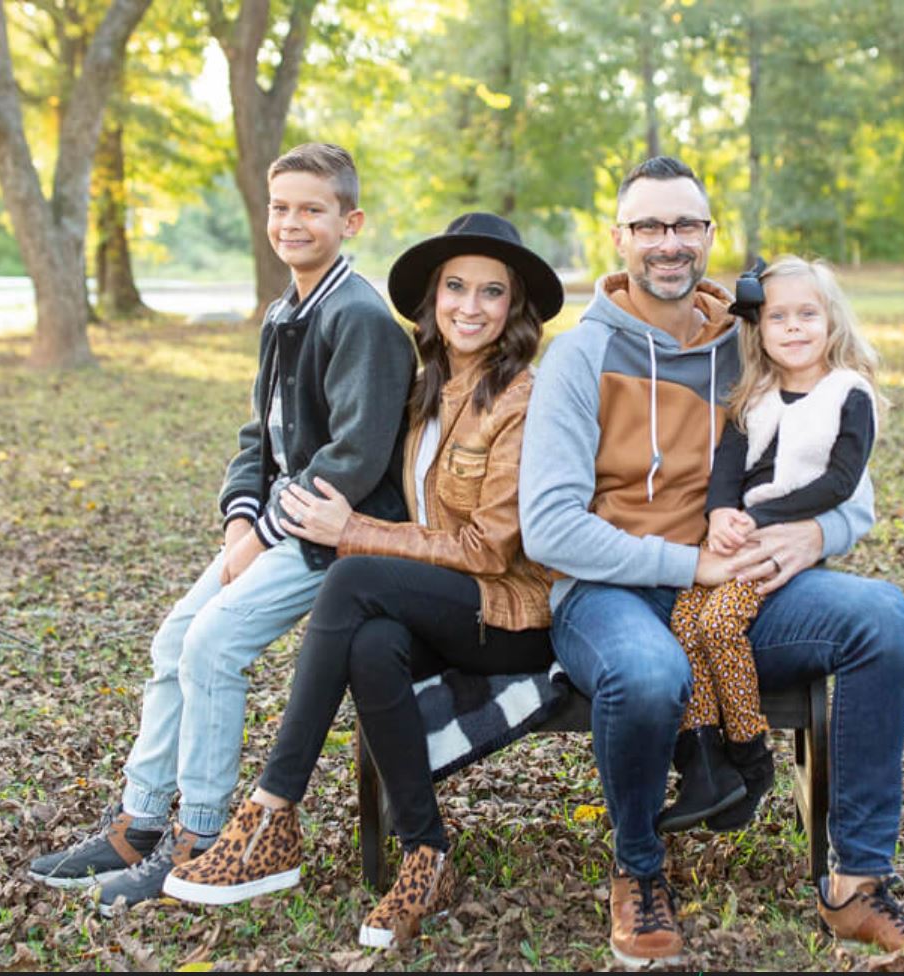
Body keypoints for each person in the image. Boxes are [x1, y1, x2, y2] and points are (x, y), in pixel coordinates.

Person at [519, 156, 904, 966]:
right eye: (649, 226)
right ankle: (638, 869)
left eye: (685, 226)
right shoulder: (578, 357)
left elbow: (843, 481)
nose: (667, 243)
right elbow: (547, 528)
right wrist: (689, 565)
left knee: (880, 616)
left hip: (735, 587)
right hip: (610, 591)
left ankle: (855, 884)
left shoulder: (750, 347)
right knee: (647, 674)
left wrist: (819, 536)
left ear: (710, 237)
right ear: (620, 239)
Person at [27, 143, 415, 914]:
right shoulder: (285, 311)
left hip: (336, 533)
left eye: (313, 208)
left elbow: (356, 455)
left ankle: (201, 838)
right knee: (174, 638)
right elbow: (259, 437)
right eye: (281, 207)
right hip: (276, 525)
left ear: (351, 220)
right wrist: (242, 515)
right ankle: (140, 823)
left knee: (214, 643)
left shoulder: (360, 316)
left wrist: (262, 535)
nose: (292, 221)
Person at [160, 212, 563, 949]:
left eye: (491, 292)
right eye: (455, 288)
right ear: (432, 300)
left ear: (515, 308)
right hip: (443, 611)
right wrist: (251, 513)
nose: (470, 307)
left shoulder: (523, 399)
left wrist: (355, 535)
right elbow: (311, 441)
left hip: (514, 616)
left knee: (352, 580)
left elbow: (490, 547)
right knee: (372, 642)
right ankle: (426, 852)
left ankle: (274, 810)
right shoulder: (421, 391)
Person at [658, 255, 881, 834]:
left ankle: (752, 759)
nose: (794, 327)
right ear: (759, 330)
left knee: (718, 626)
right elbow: (727, 469)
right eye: (778, 316)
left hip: (780, 545)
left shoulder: (846, 394)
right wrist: (721, 512)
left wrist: (762, 517)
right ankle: (706, 759)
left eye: (808, 314)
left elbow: (840, 481)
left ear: (832, 321)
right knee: (684, 622)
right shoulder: (754, 395)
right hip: (735, 540)